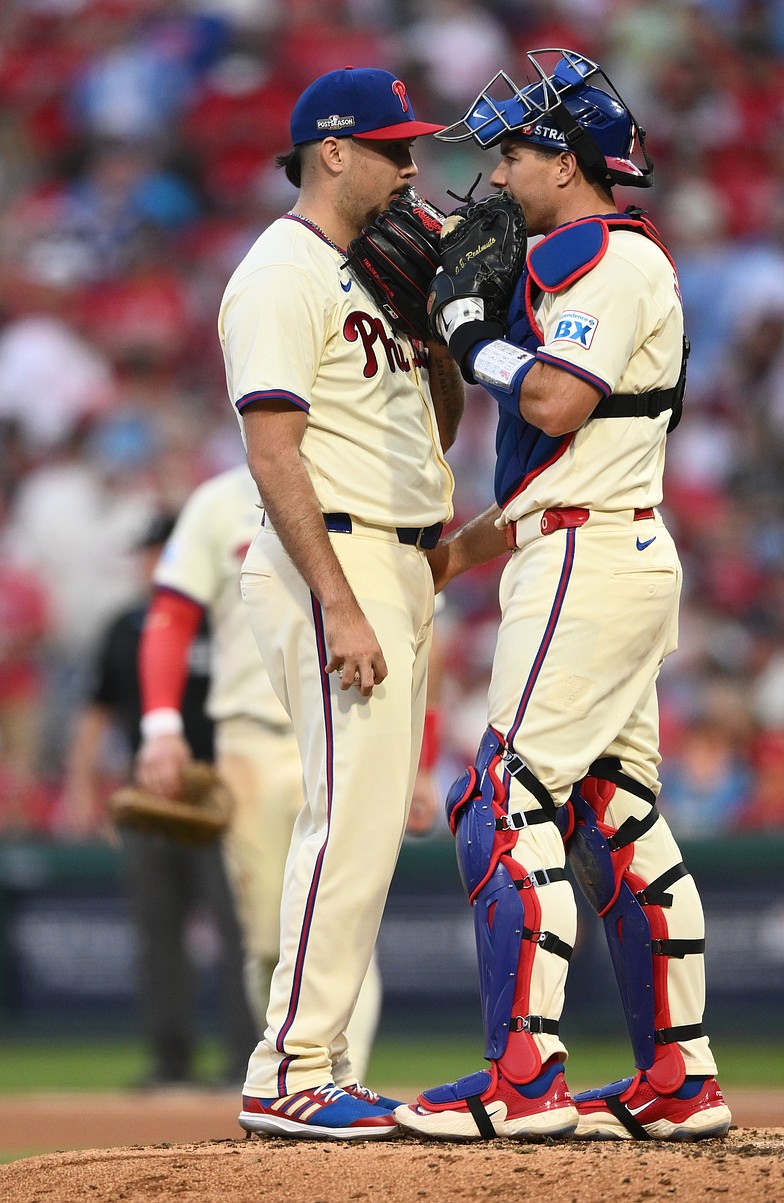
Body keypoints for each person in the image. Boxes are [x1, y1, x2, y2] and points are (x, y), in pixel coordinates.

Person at [394, 49, 732, 1142]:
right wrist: (454, 556)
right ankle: (678, 1080)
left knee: (500, 797)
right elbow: (562, 476)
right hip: (599, 544)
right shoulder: (589, 261)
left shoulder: (604, 258)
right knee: (613, 814)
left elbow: (554, 397)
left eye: (513, 152)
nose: (495, 175)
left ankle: (522, 1079)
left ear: (568, 161)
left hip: (590, 563)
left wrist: (465, 333)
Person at [217, 65, 463, 1139]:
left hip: (400, 558)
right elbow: (272, 453)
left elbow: (437, 433)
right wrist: (340, 604)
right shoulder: (281, 271)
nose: (412, 167)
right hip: (338, 561)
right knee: (346, 822)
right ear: (332, 151)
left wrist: (437, 329)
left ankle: (309, 1064)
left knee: (365, 828)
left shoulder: (372, 273)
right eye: (392, 147)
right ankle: (291, 1070)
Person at [134, 463, 439, 1080]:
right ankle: (294, 1077)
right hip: (251, 740)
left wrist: (421, 760)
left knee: (342, 914)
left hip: (348, 715)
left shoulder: (357, 482)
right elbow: (171, 614)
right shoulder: (218, 501)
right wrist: (161, 728)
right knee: (269, 942)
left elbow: (416, 629)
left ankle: (341, 1080)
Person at [62, 513, 256, 1088]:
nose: (150, 563)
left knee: (243, 933)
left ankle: (247, 1061)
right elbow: (95, 712)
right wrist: (80, 790)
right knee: (158, 934)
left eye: (158, 551)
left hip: (226, 797)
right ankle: (170, 1061)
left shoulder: (230, 615)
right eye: (147, 553)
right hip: (153, 798)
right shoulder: (125, 626)